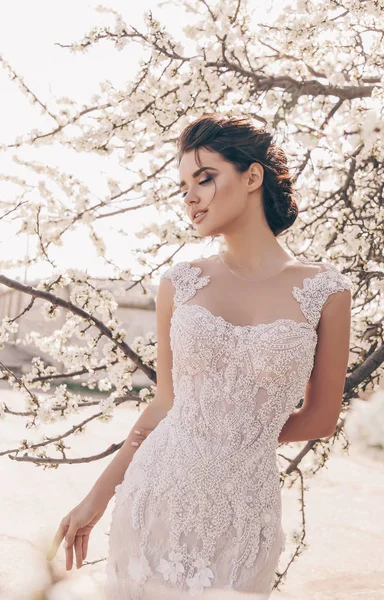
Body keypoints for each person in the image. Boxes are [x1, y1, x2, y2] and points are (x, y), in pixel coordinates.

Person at [47, 114, 353, 599]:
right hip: (155, 495)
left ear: (252, 177)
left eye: (205, 179)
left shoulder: (325, 291)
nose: (190, 196)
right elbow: (166, 405)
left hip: (244, 510)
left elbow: (320, 417)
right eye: (183, 185)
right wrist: (97, 496)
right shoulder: (180, 282)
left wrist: (236, 440)